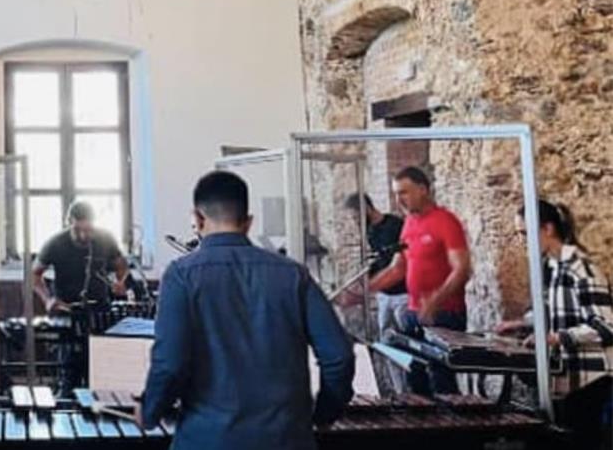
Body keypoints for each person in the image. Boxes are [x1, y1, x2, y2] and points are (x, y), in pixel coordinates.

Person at [138, 171, 354, 450]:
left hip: (207, 440)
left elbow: (170, 364)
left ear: (198, 220)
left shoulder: (181, 276)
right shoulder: (293, 275)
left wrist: (150, 411)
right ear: (249, 222)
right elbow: (339, 356)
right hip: (287, 440)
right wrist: (324, 414)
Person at [497, 200, 613, 449]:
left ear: (547, 229)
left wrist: (557, 338)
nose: (522, 241)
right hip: (566, 378)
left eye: (525, 233)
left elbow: (606, 327)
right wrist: (520, 323)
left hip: (591, 380)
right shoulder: (551, 266)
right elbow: (553, 311)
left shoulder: (582, 269)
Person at [368, 166, 472, 395]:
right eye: (396, 193)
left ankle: (452, 427)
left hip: (445, 314)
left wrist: (435, 301)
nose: (399, 200)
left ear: (423, 189)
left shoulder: (445, 221)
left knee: (441, 379)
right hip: (414, 312)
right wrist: (364, 290)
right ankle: (424, 427)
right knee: (414, 373)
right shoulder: (409, 224)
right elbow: (397, 269)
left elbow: (462, 269)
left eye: (404, 192)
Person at [344, 192, 408, 392]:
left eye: (356, 216)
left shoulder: (395, 225)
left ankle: (415, 392)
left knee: (408, 345)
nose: (355, 222)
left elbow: (399, 265)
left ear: (367, 208)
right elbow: (376, 264)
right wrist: (357, 284)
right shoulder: (370, 232)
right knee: (388, 347)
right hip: (384, 297)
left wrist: (365, 289)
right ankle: (400, 393)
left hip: (403, 295)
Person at [32, 201, 130, 313]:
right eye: (77, 230)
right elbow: (34, 274)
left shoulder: (106, 239)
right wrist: (47, 300)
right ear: (69, 223)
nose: (83, 235)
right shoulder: (54, 243)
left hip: (100, 307)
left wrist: (120, 282)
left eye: (88, 230)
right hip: (65, 308)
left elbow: (121, 266)